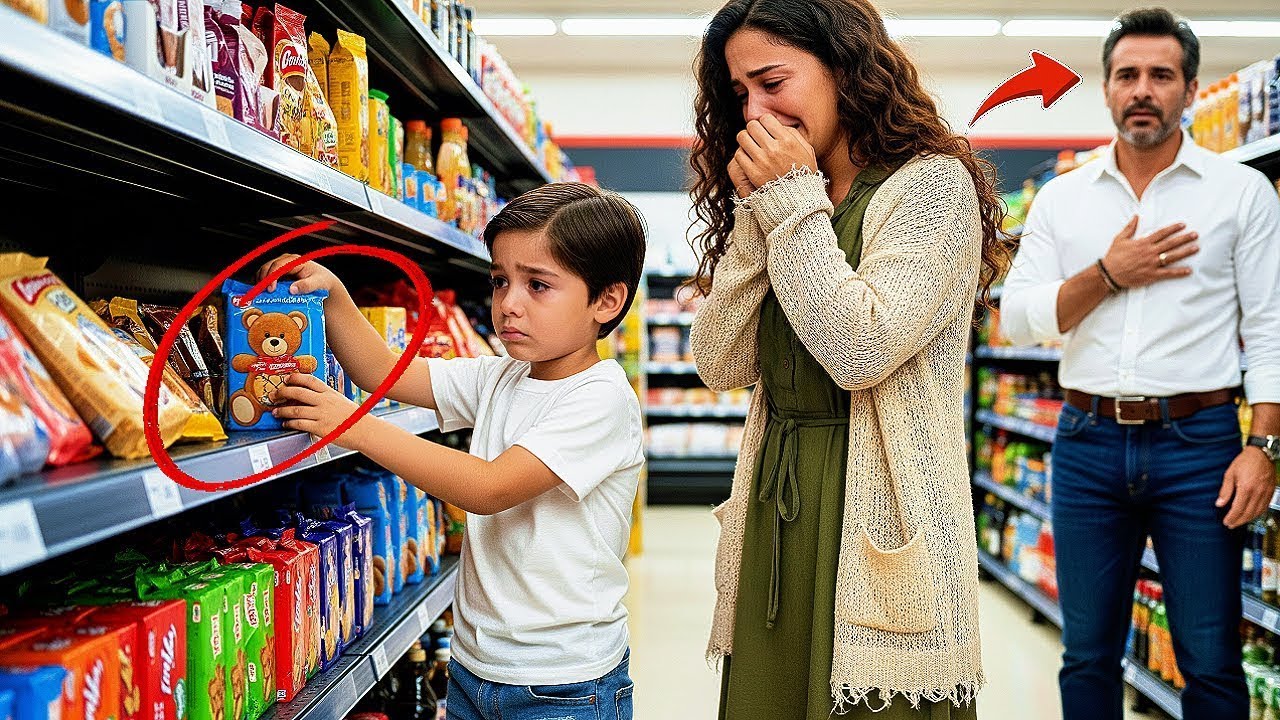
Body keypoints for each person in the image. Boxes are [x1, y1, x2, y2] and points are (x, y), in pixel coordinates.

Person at [688, 0, 1014, 716]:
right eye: (739, 94)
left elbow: (860, 349)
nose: (755, 110)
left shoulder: (930, 186)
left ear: (844, 67)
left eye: (772, 81)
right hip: (779, 500)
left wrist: (791, 200)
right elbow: (719, 361)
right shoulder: (783, 197)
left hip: (880, 503)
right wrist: (756, 218)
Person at [258, 182, 648, 720]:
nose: (508, 304)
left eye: (538, 285)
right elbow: (384, 373)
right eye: (500, 281)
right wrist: (334, 296)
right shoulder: (501, 375)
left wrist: (356, 427)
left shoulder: (601, 398)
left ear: (607, 300)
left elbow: (488, 488)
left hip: (563, 682)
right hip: (474, 666)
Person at [1000, 8, 1280, 720]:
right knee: (1087, 655)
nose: (1143, 89)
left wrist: (1263, 447)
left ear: (1189, 89)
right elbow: (1020, 318)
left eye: (1162, 75)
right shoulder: (1064, 200)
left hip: (1202, 447)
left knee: (1211, 660)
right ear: (1106, 89)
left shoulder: (1240, 193)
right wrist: (1108, 272)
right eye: (1128, 75)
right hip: (1088, 444)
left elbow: (1272, 327)